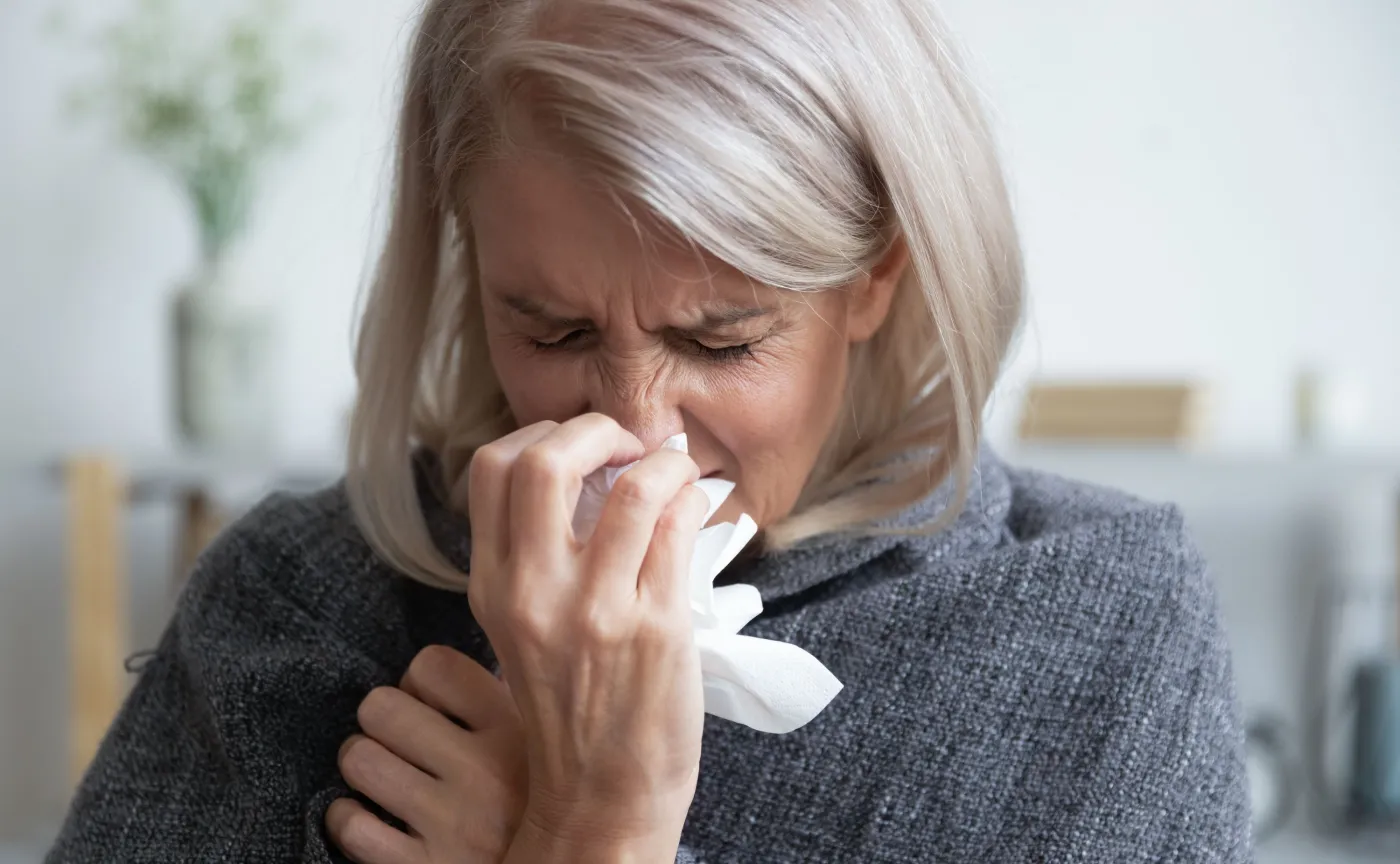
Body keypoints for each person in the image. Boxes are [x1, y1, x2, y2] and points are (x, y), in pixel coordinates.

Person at [47, 0, 1253, 861]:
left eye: (720, 341)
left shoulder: (1100, 621)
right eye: (554, 331)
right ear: (469, 270)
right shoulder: (306, 598)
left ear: (874, 276)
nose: (635, 438)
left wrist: (588, 826)